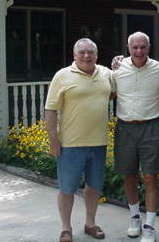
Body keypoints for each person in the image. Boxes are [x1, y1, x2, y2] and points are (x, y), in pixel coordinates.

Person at [45, 38, 112, 242]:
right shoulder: (62, 76)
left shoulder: (106, 74)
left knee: (94, 187)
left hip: (99, 143)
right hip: (71, 145)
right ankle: (66, 228)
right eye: (81, 52)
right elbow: (51, 109)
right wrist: (53, 140)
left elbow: (115, 91)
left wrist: (119, 63)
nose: (86, 56)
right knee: (67, 189)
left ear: (96, 55)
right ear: (74, 55)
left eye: (90, 52)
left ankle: (90, 224)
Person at [112, 31, 159, 242]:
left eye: (142, 47)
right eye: (134, 47)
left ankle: (150, 226)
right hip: (125, 127)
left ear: (149, 47)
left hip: (151, 127)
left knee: (150, 176)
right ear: (128, 48)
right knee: (129, 175)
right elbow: (108, 92)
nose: (139, 51)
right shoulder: (117, 69)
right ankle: (134, 216)